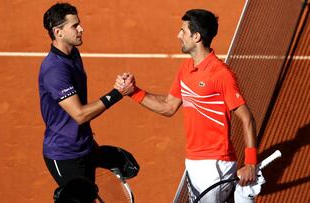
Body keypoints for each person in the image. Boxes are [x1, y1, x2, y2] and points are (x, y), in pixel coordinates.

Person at [116, 9, 258, 202]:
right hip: (194, 161)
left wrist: (250, 163)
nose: (178, 35)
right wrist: (134, 92)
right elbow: (168, 106)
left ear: (197, 36)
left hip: (215, 163)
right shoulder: (186, 69)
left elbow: (247, 117)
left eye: (183, 31)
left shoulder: (220, 74)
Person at [39, 2, 134, 187]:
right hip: (64, 155)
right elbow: (80, 114)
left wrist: (91, 145)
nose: (81, 29)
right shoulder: (54, 69)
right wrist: (117, 93)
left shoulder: (73, 54)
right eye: (74, 26)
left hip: (84, 146)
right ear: (58, 32)